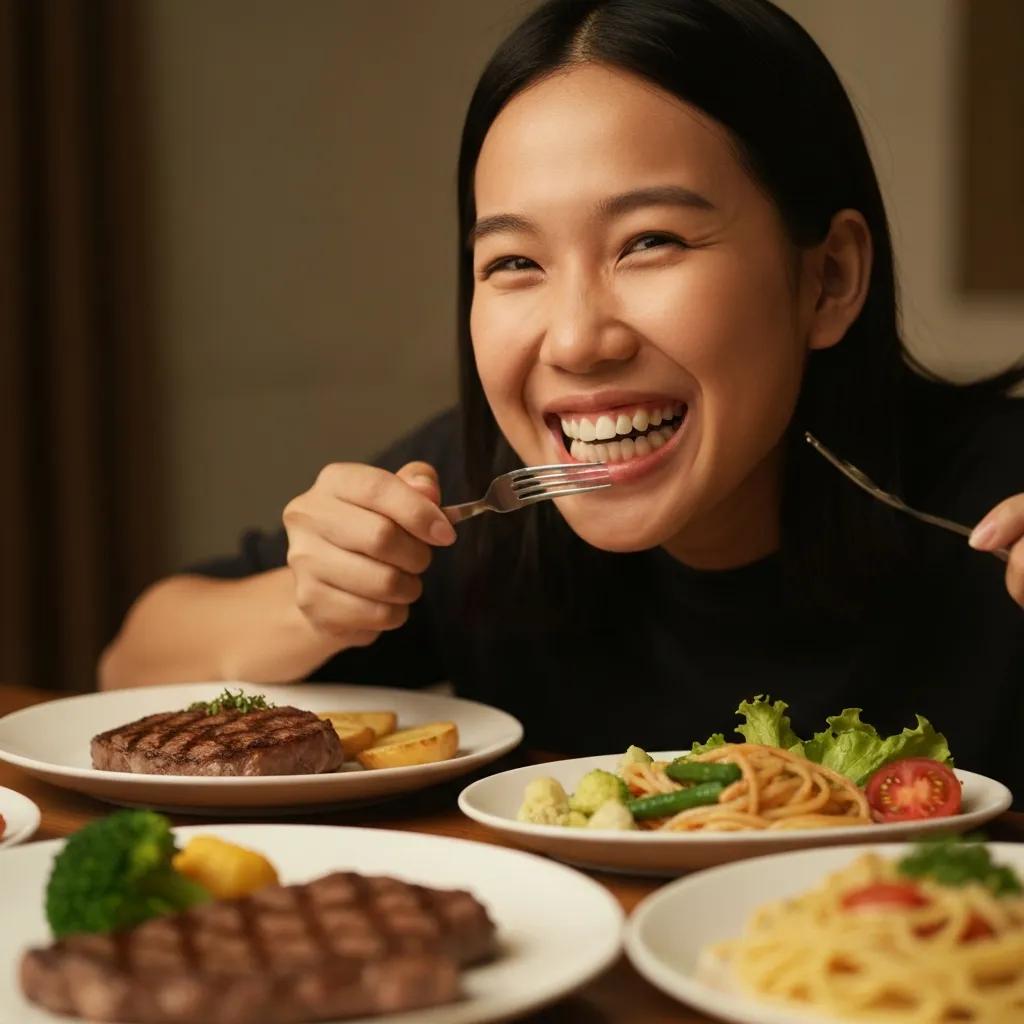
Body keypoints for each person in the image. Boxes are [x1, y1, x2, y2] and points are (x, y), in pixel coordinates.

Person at [100, 0, 1024, 794]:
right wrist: (310, 605)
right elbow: (131, 666)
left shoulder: (1000, 500)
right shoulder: (475, 504)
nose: (578, 340)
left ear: (827, 279)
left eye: (651, 242)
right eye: (514, 262)